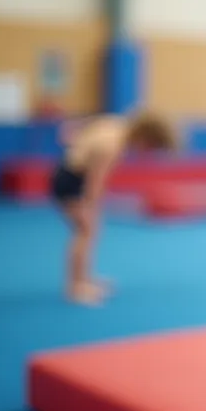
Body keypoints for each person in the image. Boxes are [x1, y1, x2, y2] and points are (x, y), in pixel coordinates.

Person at [51, 111, 175, 305]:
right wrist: (92, 206)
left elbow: (79, 128)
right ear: (145, 136)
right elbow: (95, 181)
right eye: (150, 147)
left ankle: (84, 279)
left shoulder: (115, 123)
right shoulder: (112, 145)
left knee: (89, 230)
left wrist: (74, 139)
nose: (146, 152)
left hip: (70, 173)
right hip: (71, 180)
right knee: (85, 231)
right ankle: (75, 287)